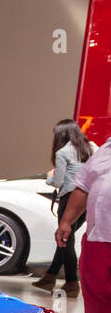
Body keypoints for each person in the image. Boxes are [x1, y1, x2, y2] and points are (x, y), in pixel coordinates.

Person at [56, 140, 111, 313]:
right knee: (96, 288)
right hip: (98, 234)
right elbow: (83, 187)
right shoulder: (104, 150)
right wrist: (67, 221)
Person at [34, 119, 98, 296]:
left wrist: (49, 177)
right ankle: (50, 277)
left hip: (70, 198)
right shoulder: (92, 147)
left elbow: (58, 181)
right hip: (89, 198)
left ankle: (71, 282)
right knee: (64, 240)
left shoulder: (62, 152)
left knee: (65, 239)